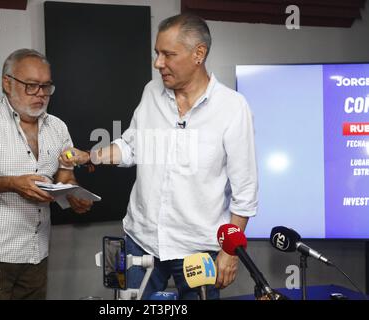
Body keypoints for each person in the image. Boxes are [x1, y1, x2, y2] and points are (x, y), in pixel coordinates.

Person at [60, 13, 257, 300]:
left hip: (197, 248)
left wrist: (230, 251)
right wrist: (89, 155)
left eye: (168, 54)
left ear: (198, 54)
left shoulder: (233, 108)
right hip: (140, 239)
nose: (158, 63)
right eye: (156, 53)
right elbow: (132, 146)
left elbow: (245, 191)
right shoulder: (151, 92)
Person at [0, 49, 93, 300]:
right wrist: (12, 184)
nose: (40, 95)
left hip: (35, 254)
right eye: (31, 86)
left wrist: (73, 195)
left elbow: (65, 175)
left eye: (46, 87)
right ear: (7, 83)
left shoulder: (58, 127)